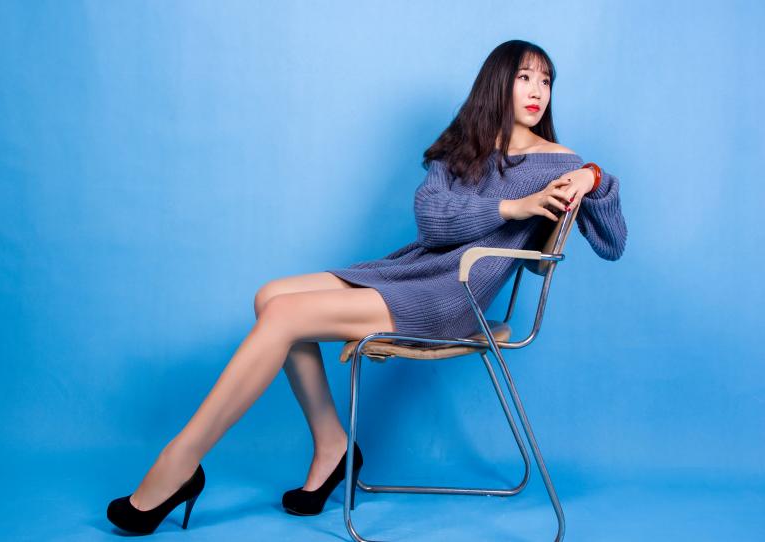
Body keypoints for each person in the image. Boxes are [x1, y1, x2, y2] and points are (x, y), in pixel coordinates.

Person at [106, 38, 628, 534]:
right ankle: (333, 447)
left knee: (284, 316)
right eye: (524, 77)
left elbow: (613, 242)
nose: (538, 91)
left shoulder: (560, 163)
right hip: (412, 271)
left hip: (453, 298)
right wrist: (511, 207)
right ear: (498, 83)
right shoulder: (465, 145)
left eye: (546, 80)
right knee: (270, 296)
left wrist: (595, 177)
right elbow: (432, 221)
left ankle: (180, 462)